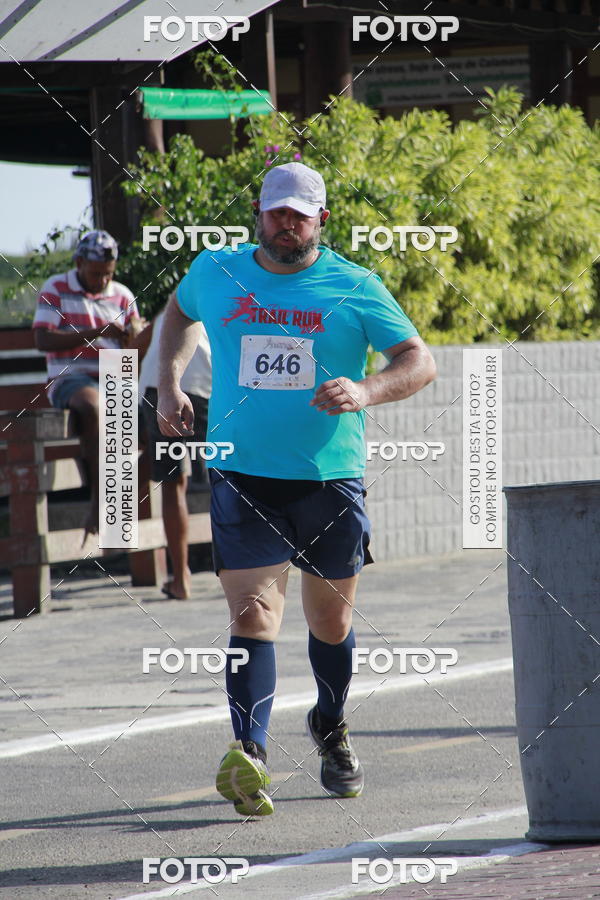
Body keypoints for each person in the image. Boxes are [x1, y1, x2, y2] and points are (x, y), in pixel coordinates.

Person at [157, 162, 437, 817]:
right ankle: (249, 753)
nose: (286, 223)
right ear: (259, 212)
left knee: (330, 621)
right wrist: (168, 383)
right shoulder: (216, 271)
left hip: (328, 477)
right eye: (276, 211)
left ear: (322, 219)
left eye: (299, 213)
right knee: (253, 616)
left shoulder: (355, 285)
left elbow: (418, 360)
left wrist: (366, 390)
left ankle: (331, 726)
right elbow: (175, 316)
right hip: (241, 470)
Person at [32, 230, 142, 542]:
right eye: (95, 274)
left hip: (117, 372)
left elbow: (134, 347)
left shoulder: (122, 294)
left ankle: (116, 512)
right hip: (70, 374)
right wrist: (94, 333)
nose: (102, 281)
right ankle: (100, 499)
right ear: (79, 263)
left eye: (108, 274)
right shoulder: (56, 288)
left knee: (144, 415)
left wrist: (134, 335)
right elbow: (42, 339)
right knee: (95, 406)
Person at [137, 309, 212, 599]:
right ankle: (243, 568)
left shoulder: (172, 304)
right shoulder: (234, 292)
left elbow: (134, 347)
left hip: (161, 387)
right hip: (204, 384)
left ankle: (180, 578)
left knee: (173, 484)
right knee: (226, 479)